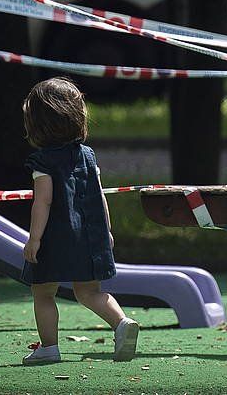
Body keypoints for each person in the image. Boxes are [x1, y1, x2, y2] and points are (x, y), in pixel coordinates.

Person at [19, 77, 139, 365]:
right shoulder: (87, 155)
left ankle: (49, 348)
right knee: (89, 291)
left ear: (36, 124)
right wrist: (106, 230)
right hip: (90, 233)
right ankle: (121, 323)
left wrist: (34, 239)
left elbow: (43, 202)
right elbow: (98, 195)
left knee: (43, 292)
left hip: (55, 236)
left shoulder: (43, 161)